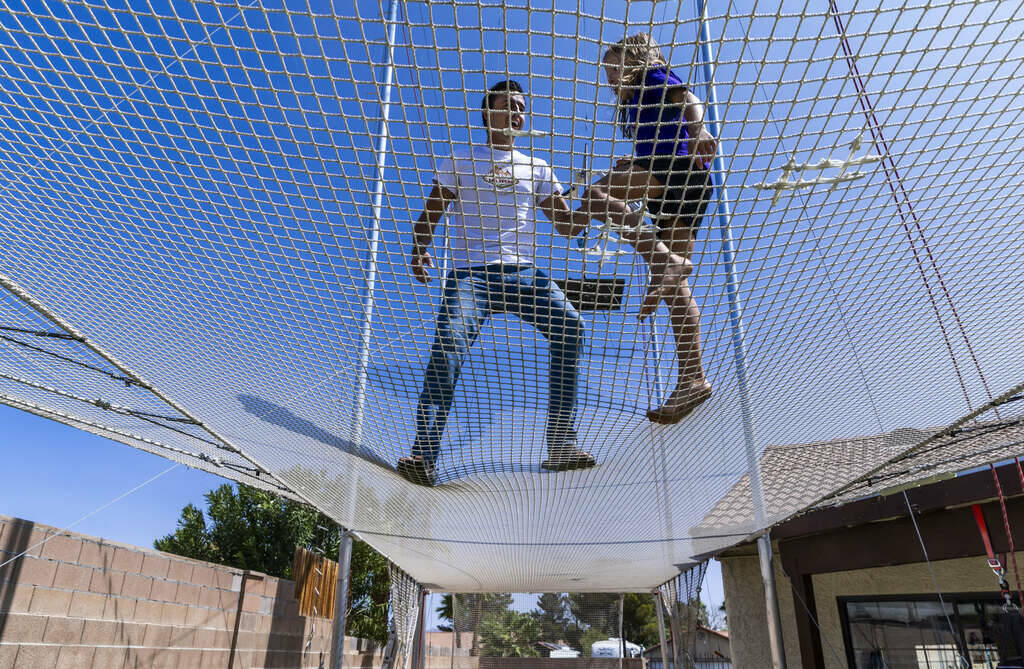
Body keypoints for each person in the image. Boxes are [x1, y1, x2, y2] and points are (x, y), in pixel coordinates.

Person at [399, 80, 599, 486]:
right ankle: (423, 453)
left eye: (523, 107)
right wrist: (420, 250)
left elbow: (566, 227)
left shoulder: (537, 166)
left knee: (572, 327)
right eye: (510, 105)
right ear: (488, 113)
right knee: (448, 347)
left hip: (523, 273)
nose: (519, 112)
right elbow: (430, 215)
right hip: (470, 276)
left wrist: (595, 203)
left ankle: (561, 444)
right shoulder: (461, 160)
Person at [574, 32, 717, 425]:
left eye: (612, 69)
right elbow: (661, 129)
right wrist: (632, 162)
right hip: (691, 185)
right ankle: (693, 377)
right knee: (675, 289)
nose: (608, 79)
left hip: (673, 168)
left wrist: (699, 129)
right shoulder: (637, 104)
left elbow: (688, 98)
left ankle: (662, 258)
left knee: (593, 197)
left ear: (634, 62)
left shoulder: (652, 79)